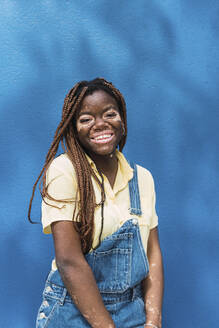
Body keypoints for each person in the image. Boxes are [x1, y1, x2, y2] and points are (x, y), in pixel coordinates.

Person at [28, 78, 164, 328]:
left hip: (132, 312)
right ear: (73, 128)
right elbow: (69, 261)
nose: (100, 124)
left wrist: (153, 320)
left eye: (109, 114)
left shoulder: (142, 178)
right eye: (86, 119)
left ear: (122, 120)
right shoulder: (64, 171)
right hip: (72, 312)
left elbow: (152, 251)